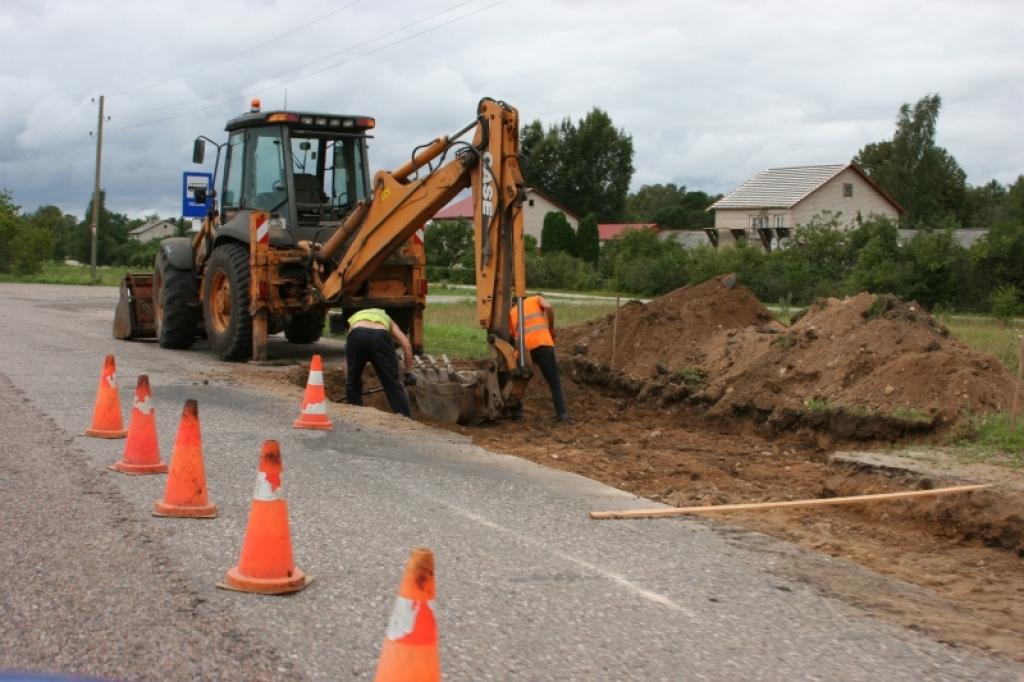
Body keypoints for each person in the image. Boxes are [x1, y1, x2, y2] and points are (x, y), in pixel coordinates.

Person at [509, 294, 569, 422]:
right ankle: (562, 414)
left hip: (525, 350)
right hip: (544, 343)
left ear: (513, 304)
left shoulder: (511, 313)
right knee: (554, 381)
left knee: (519, 381)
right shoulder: (535, 299)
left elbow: (512, 339)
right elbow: (548, 307)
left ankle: (517, 413)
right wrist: (551, 329)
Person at [344, 308, 413, 417]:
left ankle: (355, 415)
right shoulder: (387, 319)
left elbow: (349, 350)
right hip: (380, 337)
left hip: (357, 335)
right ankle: (405, 418)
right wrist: (408, 372)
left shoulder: (355, 318)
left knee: (353, 381)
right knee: (392, 382)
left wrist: (348, 378)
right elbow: (407, 345)